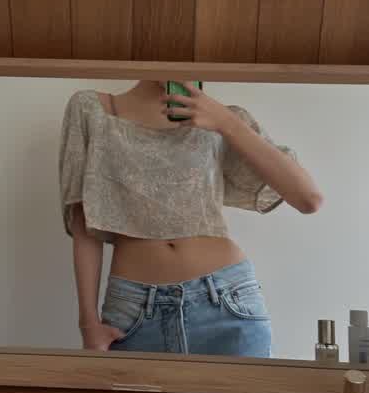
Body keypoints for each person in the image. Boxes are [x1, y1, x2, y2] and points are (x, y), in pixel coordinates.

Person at [58, 80, 323, 356]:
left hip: (228, 303)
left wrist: (225, 122)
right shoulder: (90, 109)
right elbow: (84, 224)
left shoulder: (222, 117)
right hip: (134, 312)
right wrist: (88, 324)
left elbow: (309, 198)